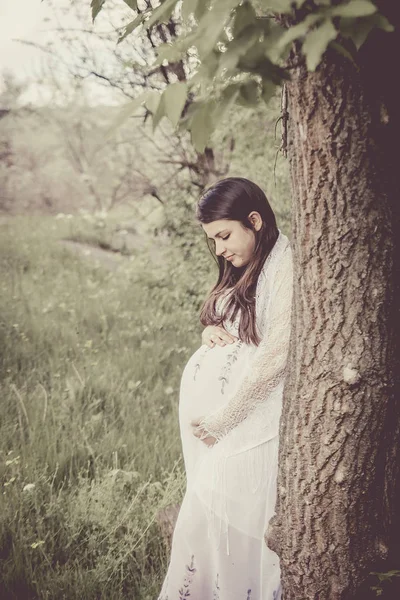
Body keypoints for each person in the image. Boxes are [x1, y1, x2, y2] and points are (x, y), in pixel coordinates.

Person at [158, 177, 293, 600]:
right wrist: (211, 332)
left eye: (224, 235)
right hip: (226, 429)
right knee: (209, 524)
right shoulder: (247, 265)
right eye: (213, 240)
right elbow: (235, 322)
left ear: (254, 220)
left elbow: (276, 355)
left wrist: (222, 419)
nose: (219, 249)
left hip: (248, 426)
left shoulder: (285, 266)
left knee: (231, 528)